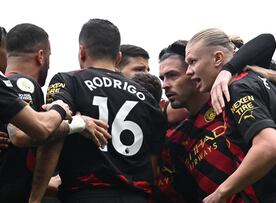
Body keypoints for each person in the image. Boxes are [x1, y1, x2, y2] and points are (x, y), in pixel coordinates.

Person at [29, 18, 167, 203]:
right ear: (118, 57)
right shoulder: (148, 98)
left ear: (82, 51)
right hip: (138, 197)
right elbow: (153, 162)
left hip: (86, 194)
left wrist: (35, 198)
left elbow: (53, 136)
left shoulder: (68, 81)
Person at [185, 28, 276, 202]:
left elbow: (269, 148)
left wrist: (220, 194)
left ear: (218, 58)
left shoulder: (238, 88)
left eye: (193, 61)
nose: (189, 71)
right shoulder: (270, 86)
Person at [156, 36, 276, 202]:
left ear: (193, 71)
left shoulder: (234, 94)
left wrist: (227, 70)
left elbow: (267, 41)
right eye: (162, 78)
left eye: (172, 75)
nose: (165, 84)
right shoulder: (176, 139)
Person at [0, 23, 110, 203]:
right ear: (41, 56)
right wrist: (76, 123)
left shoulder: (5, 86)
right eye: (49, 57)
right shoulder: (23, 83)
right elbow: (20, 134)